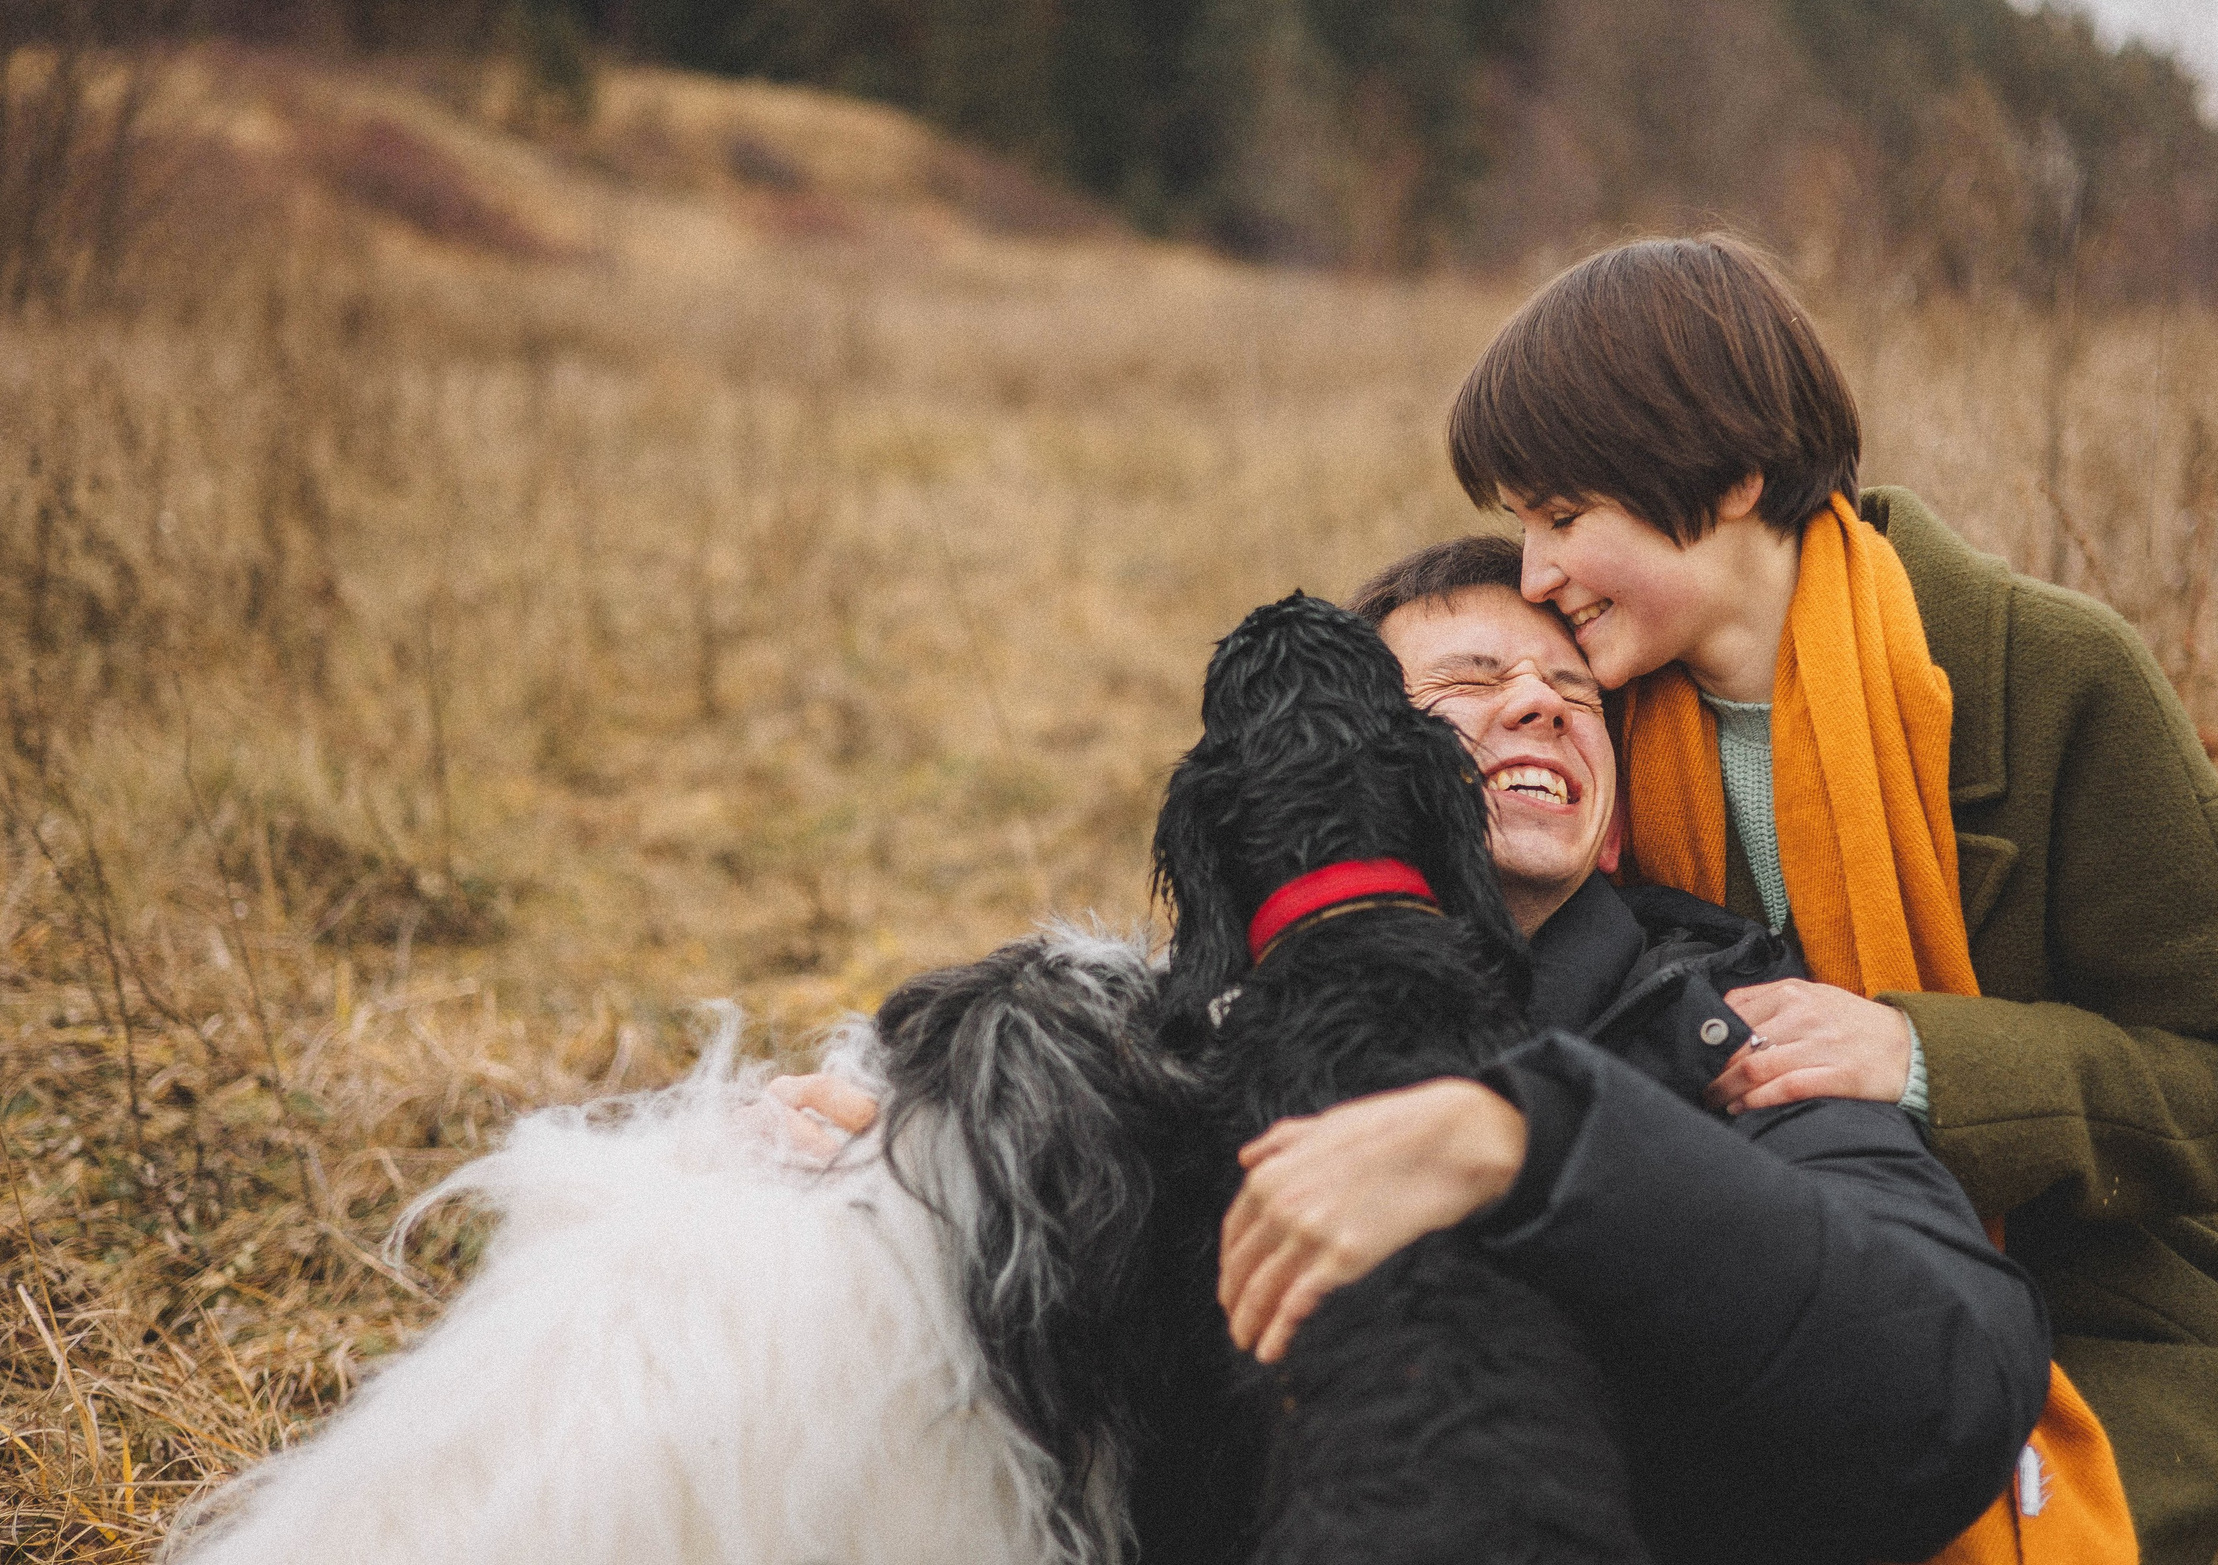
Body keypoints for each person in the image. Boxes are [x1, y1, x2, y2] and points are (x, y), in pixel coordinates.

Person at [777, 537, 2052, 1563]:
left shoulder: (1732, 1022)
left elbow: (1950, 1380)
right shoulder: (1180, 1052)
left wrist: (1538, 1145)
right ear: (1351, 778)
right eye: (1466, 685)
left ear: (1613, 825)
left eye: (1574, 695)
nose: (1535, 703)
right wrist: (928, 1179)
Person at [1393, 233, 2218, 1565]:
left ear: (1730, 476)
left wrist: (1922, 1061)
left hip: (2089, 1316)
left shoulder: (2051, 674)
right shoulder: (1597, 719)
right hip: (1757, 1287)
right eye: (1522, 523)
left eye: (1565, 517)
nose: (1533, 573)